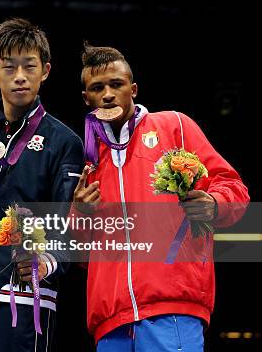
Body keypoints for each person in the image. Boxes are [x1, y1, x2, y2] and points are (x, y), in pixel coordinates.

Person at [72, 42, 250, 351]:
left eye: (117, 84)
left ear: (134, 89)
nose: (108, 94)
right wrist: (80, 215)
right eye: (97, 88)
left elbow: (234, 188)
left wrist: (213, 204)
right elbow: (84, 257)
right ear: (87, 98)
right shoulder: (88, 158)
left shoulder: (174, 126)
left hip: (172, 306)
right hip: (110, 321)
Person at [0, 18, 84, 351]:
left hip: (25, 298)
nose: (20, 76)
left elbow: (67, 220)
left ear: (46, 70)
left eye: (29, 66)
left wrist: (47, 264)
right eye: (9, 67)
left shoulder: (64, 141)